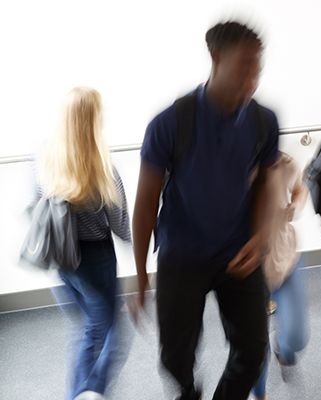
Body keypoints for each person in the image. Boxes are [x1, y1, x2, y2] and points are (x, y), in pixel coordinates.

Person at [132, 21, 281, 400]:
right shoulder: (170, 123)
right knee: (174, 357)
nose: (252, 77)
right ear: (215, 58)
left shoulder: (264, 121)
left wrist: (262, 236)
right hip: (183, 255)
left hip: (238, 254)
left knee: (252, 350)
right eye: (244, 65)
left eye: (257, 67)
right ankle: (187, 391)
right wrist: (140, 274)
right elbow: (146, 201)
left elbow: (266, 181)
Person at [37, 87, 131, 400]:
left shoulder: (46, 163)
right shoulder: (103, 168)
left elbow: (37, 210)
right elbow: (120, 226)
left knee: (89, 328)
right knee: (110, 334)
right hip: (96, 260)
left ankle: (82, 392)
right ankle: (87, 392)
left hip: (62, 262)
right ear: (93, 121)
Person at [250, 153, 310, 400]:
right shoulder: (223, 167)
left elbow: (299, 188)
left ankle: (284, 350)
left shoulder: (281, 162)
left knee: (297, 338)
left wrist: (295, 205)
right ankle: (260, 395)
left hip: (284, 261)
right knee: (253, 348)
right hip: (248, 274)